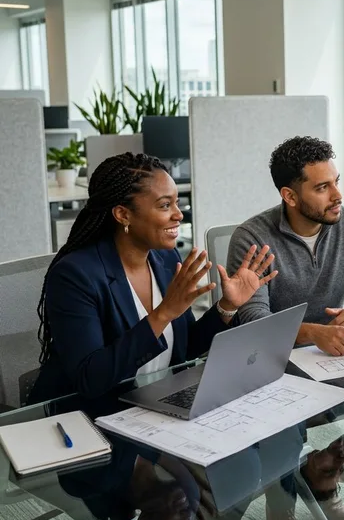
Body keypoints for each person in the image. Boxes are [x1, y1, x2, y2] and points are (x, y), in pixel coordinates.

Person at [31, 153, 277, 402]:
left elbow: (183, 349)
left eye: (177, 203)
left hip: (158, 402)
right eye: (164, 205)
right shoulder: (75, 275)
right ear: (123, 214)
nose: (179, 215)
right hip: (92, 418)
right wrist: (163, 313)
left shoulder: (166, 260)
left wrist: (227, 306)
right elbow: (90, 378)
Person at [227, 136, 344, 358]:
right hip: (271, 355)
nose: (338, 196)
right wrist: (313, 333)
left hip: (332, 352)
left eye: (336, 182)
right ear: (290, 196)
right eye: (323, 188)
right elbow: (254, 319)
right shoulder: (251, 238)